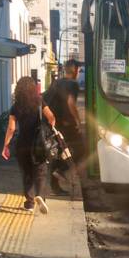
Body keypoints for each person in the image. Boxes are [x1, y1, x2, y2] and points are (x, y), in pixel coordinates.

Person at [2, 77, 56, 214]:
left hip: (22, 145)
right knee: (41, 172)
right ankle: (40, 196)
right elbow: (51, 117)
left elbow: (11, 128)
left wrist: (5, 146)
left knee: (27, 174)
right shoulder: (39, 101)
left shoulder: (16, 106)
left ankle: (30, 203)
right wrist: (50, 128)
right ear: (33, 88)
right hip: (38, 144)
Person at [44, 59, 85, 194]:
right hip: (67, 124)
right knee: (82, 149)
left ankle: (56, 186)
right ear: (75, 70)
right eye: (78, 69)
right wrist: (78, 121)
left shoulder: (57, 82)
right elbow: (70, 103)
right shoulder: (72, 84)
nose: (79, 72)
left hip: (53, 124)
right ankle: (60, 170)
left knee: (57, 152)